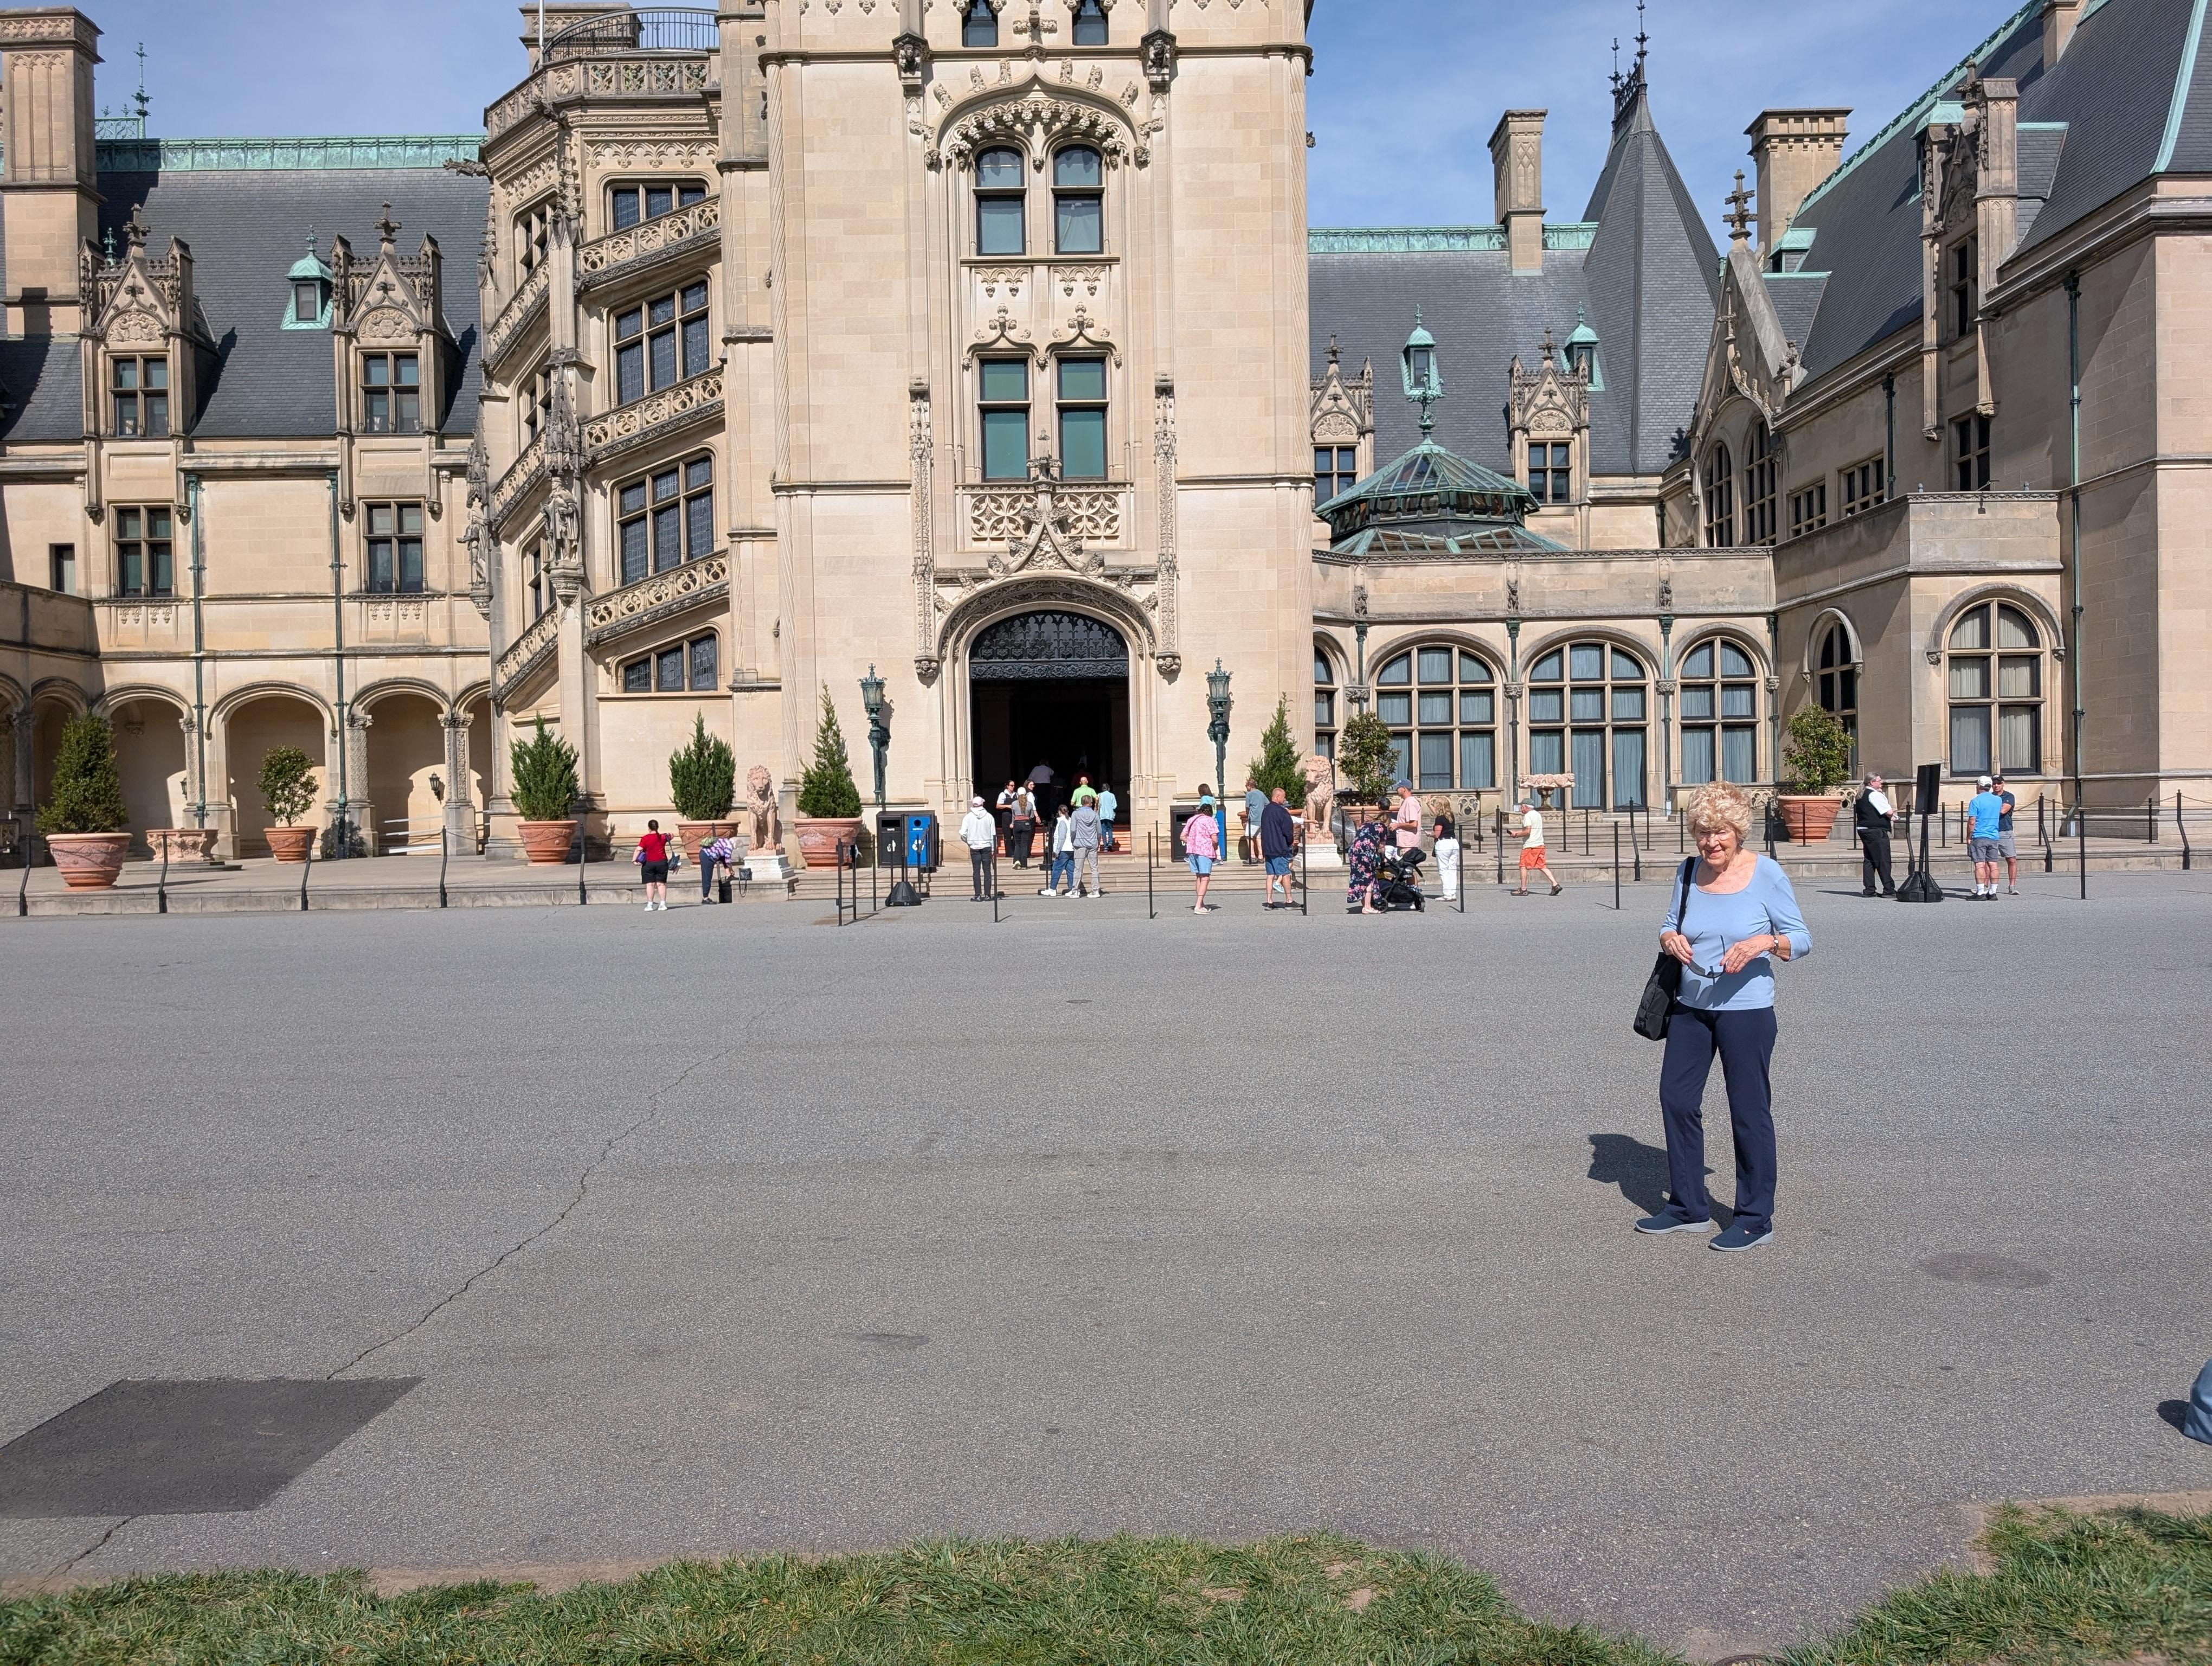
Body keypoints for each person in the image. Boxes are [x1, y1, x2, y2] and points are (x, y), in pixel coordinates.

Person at [1643, 780, 1812, 1252]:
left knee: (1748, 1111)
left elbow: (1801, 939)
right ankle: (1688, 1207)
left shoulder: (1767, 875)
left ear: (1738, 831)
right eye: (1701, 831)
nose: (1710, 841)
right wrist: (1668, 939)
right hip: (1691, 1008)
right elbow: (1670, 923)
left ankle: (1755, 1217)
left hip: (1748, 1012)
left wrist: (1764, 942)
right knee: (1676, 1099)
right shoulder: (1687, 871)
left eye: (1719, 831)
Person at [1854, 772, 1896, 898]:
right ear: (1872, 782)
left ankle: (1869, 889)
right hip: (1875, 831)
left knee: (1870, 859)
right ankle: (1889, 889)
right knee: (1883, 859)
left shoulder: (1861, 795)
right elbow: (1888, 811)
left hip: (1864, 829)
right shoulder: (1875, 794)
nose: (1881, 782)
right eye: (1879, 780)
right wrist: (1892, 814)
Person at [1966, 773, 2005, 899]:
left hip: (1980, 835)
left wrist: (1969, 837)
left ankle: (1980, 892)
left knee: (1980, 864)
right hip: (1994, 836)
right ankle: (1993, 892)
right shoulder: (1998, 800)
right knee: (1993, 864)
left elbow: (1972, 821)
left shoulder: (1975, 801)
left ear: (1979, 786)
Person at [1184, 786, 1221, 912]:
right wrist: (1215, 847)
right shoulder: (1210, 820)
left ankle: (1201, 902)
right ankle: (1199, 905)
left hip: (1192, 851)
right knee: (1206, 877)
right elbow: (1215, 839)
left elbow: (1182, 836)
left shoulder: (1191, 819)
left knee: (1199, 877)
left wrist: (1192, 841)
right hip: (1204, 851)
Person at [1260, 785, 1298, 907]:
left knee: (1270, 875)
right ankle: (1289, 900)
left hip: (1268, 847)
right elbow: (1288, 830)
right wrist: (1290, 841)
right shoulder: (1282, 812)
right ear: (1277, 796)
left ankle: (1269, 901)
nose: (1285, 799)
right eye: (1283, 796)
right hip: (1279, 848)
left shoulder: (1265, 811)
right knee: (1285, 873)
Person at [1515, 799, 1561, 896]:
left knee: (1523, 866)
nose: (1521, 808)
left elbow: (1528, 831)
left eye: (1522, 806)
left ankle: (1523, 889)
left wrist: (1516, 835)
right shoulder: (1538, 815)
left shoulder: (1527, 816)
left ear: (1526, 807)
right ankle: (1555, 884)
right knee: (1542, 866)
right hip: (1540, 844)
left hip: (1530, 846)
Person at [958, 794, 999, 902]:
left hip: (975, 847)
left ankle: (978, 894)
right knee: (987, 870)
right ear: (983, 804)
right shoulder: (989, 816)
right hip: (986, 846)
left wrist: (968, 841)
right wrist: (994, 848)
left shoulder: (968, 817)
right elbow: (993, 834)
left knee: (976, 871)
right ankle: (988, 895)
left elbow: (963, 833)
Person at [1346, 811, 1387, 914]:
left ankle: (1365, 905)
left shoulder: (1366, 824)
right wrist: (1383, 858)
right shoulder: (1383, 827)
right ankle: (1368, 907)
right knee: (1368, 878)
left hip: (1354, 851)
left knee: (1359, 877)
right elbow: (1382, 847)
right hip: (1365, 852)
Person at [635, 819, 672, 912]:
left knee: (650, 885)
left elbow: (639, 849)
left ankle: (650, 905)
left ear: (649, 828)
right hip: (662, 863)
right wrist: (664, 833)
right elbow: (672, 835)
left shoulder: (645, 838)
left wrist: (634, 860)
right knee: (661, 884)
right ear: (658, 827)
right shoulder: (663, 837)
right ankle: (663, 904)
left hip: (649, 863)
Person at [1069, 794, 1102, 897]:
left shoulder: (1076, 814)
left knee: (1078, 869)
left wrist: (1073, 841)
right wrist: (1097, 842)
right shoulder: (1095, 814)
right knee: (1094, 869)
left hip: (1080, 844)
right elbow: (1099, 831)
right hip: (1092, 844)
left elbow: (1073, 830)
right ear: (1090, 803)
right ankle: (1096, 890)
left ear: (1082, 803)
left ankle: (1075, 891)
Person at [1040, 803, 1075, 897]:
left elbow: (1062, 837)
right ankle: (1073, 888)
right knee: (1070, 869)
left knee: (1057, 869)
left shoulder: (1062, 822)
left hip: (1064, 849)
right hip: (1071, 849)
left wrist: (1057, 851)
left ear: (1059, 812)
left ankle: (1052, 889)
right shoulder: (1070, 820)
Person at [1992, 772, 2019, 894]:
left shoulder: (2009, 796)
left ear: (2003, 784)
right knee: (1989, 861)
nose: (1996, 786)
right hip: (1991, 832)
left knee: (2011, 859)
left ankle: (2012, 886)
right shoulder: (1990, 797)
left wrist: (1989, 810)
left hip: (2005, 831)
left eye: (1999, 783)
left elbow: (2003, 810)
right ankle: (1986, 886)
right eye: (1994, 784)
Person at [698, 831, 737, 903]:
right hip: (708, 857)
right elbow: (728, 861)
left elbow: (723, 858)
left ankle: (728, 874)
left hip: (703, 853)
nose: (734, 849)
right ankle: (705, 898)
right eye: (736, 848)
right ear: (735, 845)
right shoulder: (729, 846)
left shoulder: (725, 841)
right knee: (708, 877)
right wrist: (732, 870)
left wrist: (728, 872)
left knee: (705, 876)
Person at [1391, 781, 1424, 857]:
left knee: (1406, 868)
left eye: (1398, 788)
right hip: (1405, 844)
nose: (1396, 790)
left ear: (1404, 789)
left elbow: (1414, 824)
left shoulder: (1410, 802)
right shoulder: (1405, 802)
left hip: (1409, 845)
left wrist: (1398, 825)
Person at [1434, 810, 1461, 902]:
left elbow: (1437, 834)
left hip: (1444, 844)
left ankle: (1447, 894)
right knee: (1452, 869)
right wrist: (1429, 805)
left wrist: (1430, 835)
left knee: (1443, 870)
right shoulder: (1451, 816)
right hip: (1453, 843)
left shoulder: (1439, 818)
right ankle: (1452, 893)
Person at [1243, 777, 1269, 863]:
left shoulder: (1249, 795)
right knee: (1258, 837)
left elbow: (1247, 808)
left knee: (1248, 836)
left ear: (1250, 786)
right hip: (1261, 820)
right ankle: (1261, 856)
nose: (1246, 787)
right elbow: (1267, 804)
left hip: (1253, 820)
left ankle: (1252, 856)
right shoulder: (1261, 794)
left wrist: (1248, 814)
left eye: (1247, 786)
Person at [1096, 781, 1117, 855]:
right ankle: (1110, 843)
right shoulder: (1112, 795)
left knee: (1104, 831)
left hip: (1102, 816)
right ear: (1108, 788)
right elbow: (1115, 806)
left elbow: (1097, 805)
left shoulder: (1099, 795)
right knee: (1110, 830)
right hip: (1110, 816)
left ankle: (1105, 847)